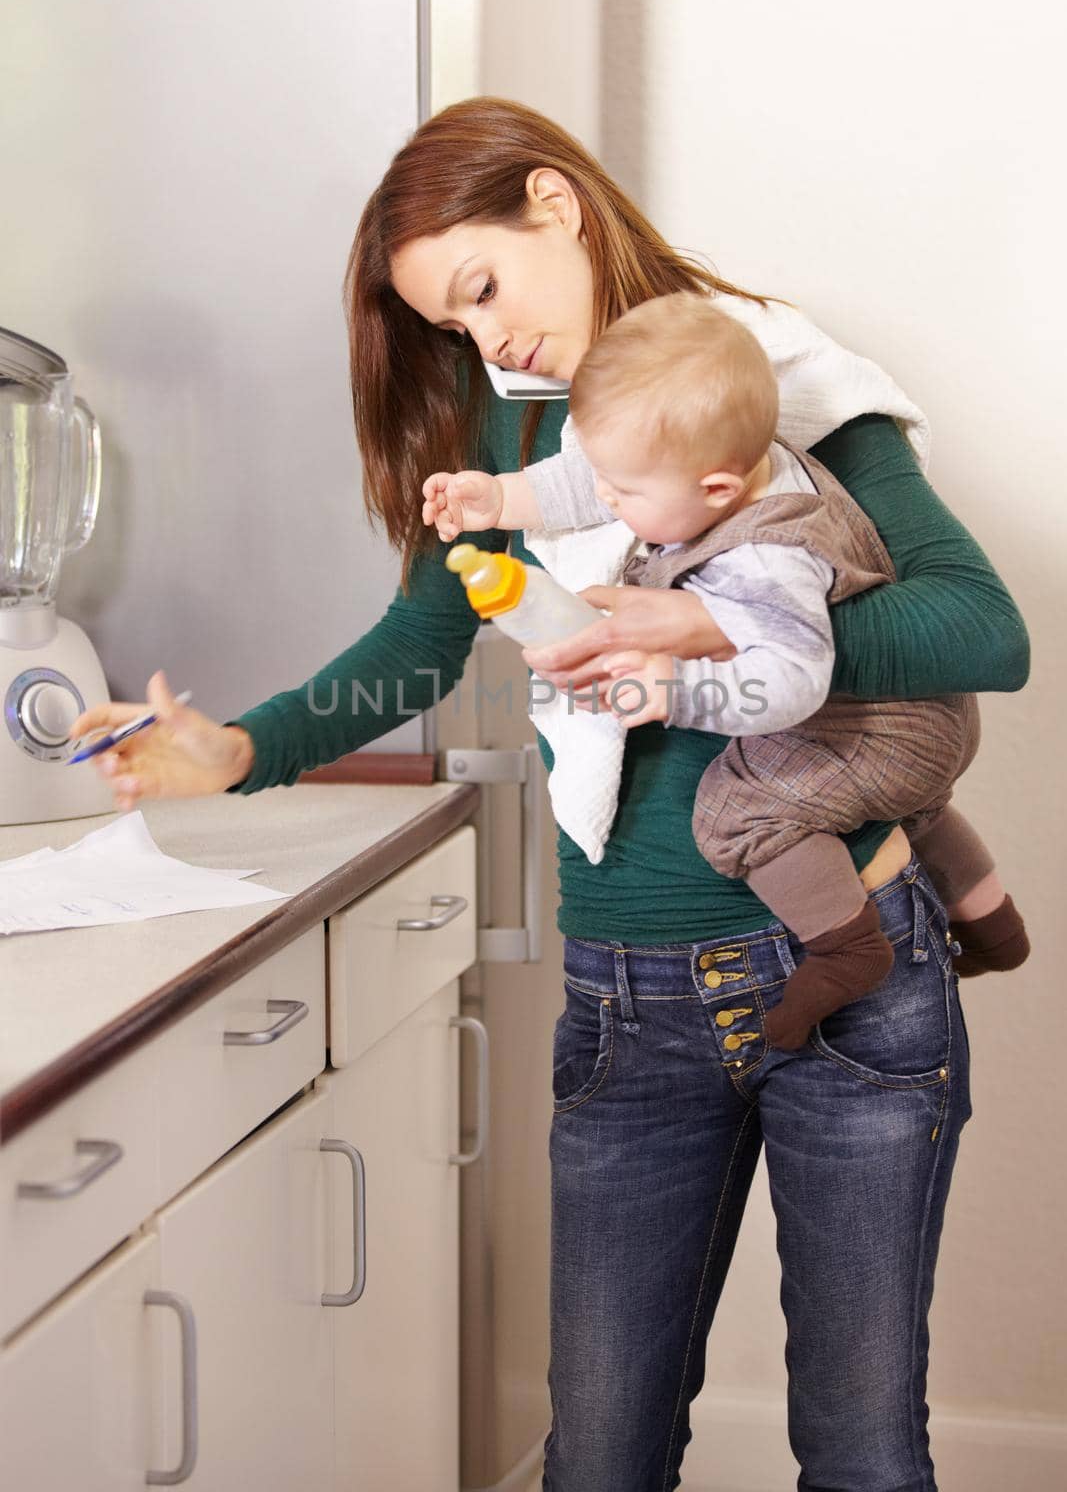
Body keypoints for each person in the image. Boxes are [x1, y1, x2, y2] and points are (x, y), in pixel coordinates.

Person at [70, 97, 1030, 1492]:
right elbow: (418, 644)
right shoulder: (507, 432)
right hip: (627, 1001)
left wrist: (709, 632)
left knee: (860, 1450)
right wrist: (237, 750)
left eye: (481, 289)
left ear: (553, 206)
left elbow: (978, 632)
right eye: (451, 327)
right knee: (598, 1455)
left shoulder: (758, 380)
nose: (485, 339)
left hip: (854, 978)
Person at [422, 292, 1029, 1050]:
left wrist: (671, 692)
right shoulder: (717, 460)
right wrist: (498, 499)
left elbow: (792, 686)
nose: (605, 501)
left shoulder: (761, 556)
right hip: (922, 726)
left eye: (626, 493)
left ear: (714, 490)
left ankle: (848, 948)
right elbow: (584, 480)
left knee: (737, 807)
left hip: (880, 731)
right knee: (920, 805)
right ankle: (994, 926)